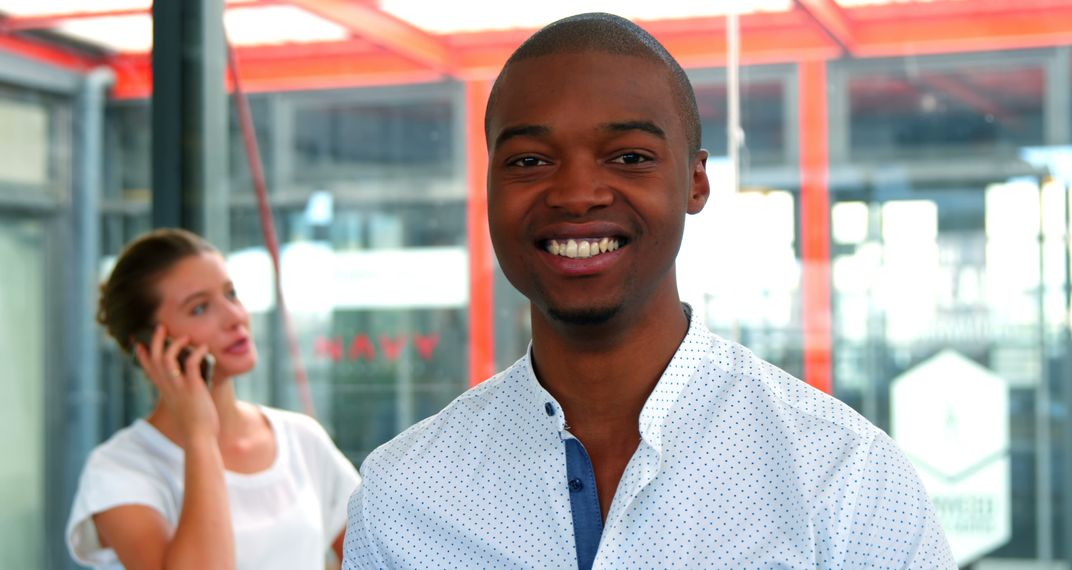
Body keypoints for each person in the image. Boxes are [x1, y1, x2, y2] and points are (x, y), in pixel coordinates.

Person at [343, 12, 954, 570]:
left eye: (629, 156)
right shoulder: (402, 497)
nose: (577, 194)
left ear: (695, 183)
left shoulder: (842, 476)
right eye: (530, 162)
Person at [67, 228, 360, 569]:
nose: (235, 318)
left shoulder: (302, 438)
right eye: (200, 308)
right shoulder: (120, 468)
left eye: (231, 294)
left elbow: (380, 552)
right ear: (148, 346)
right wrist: (200, 435)